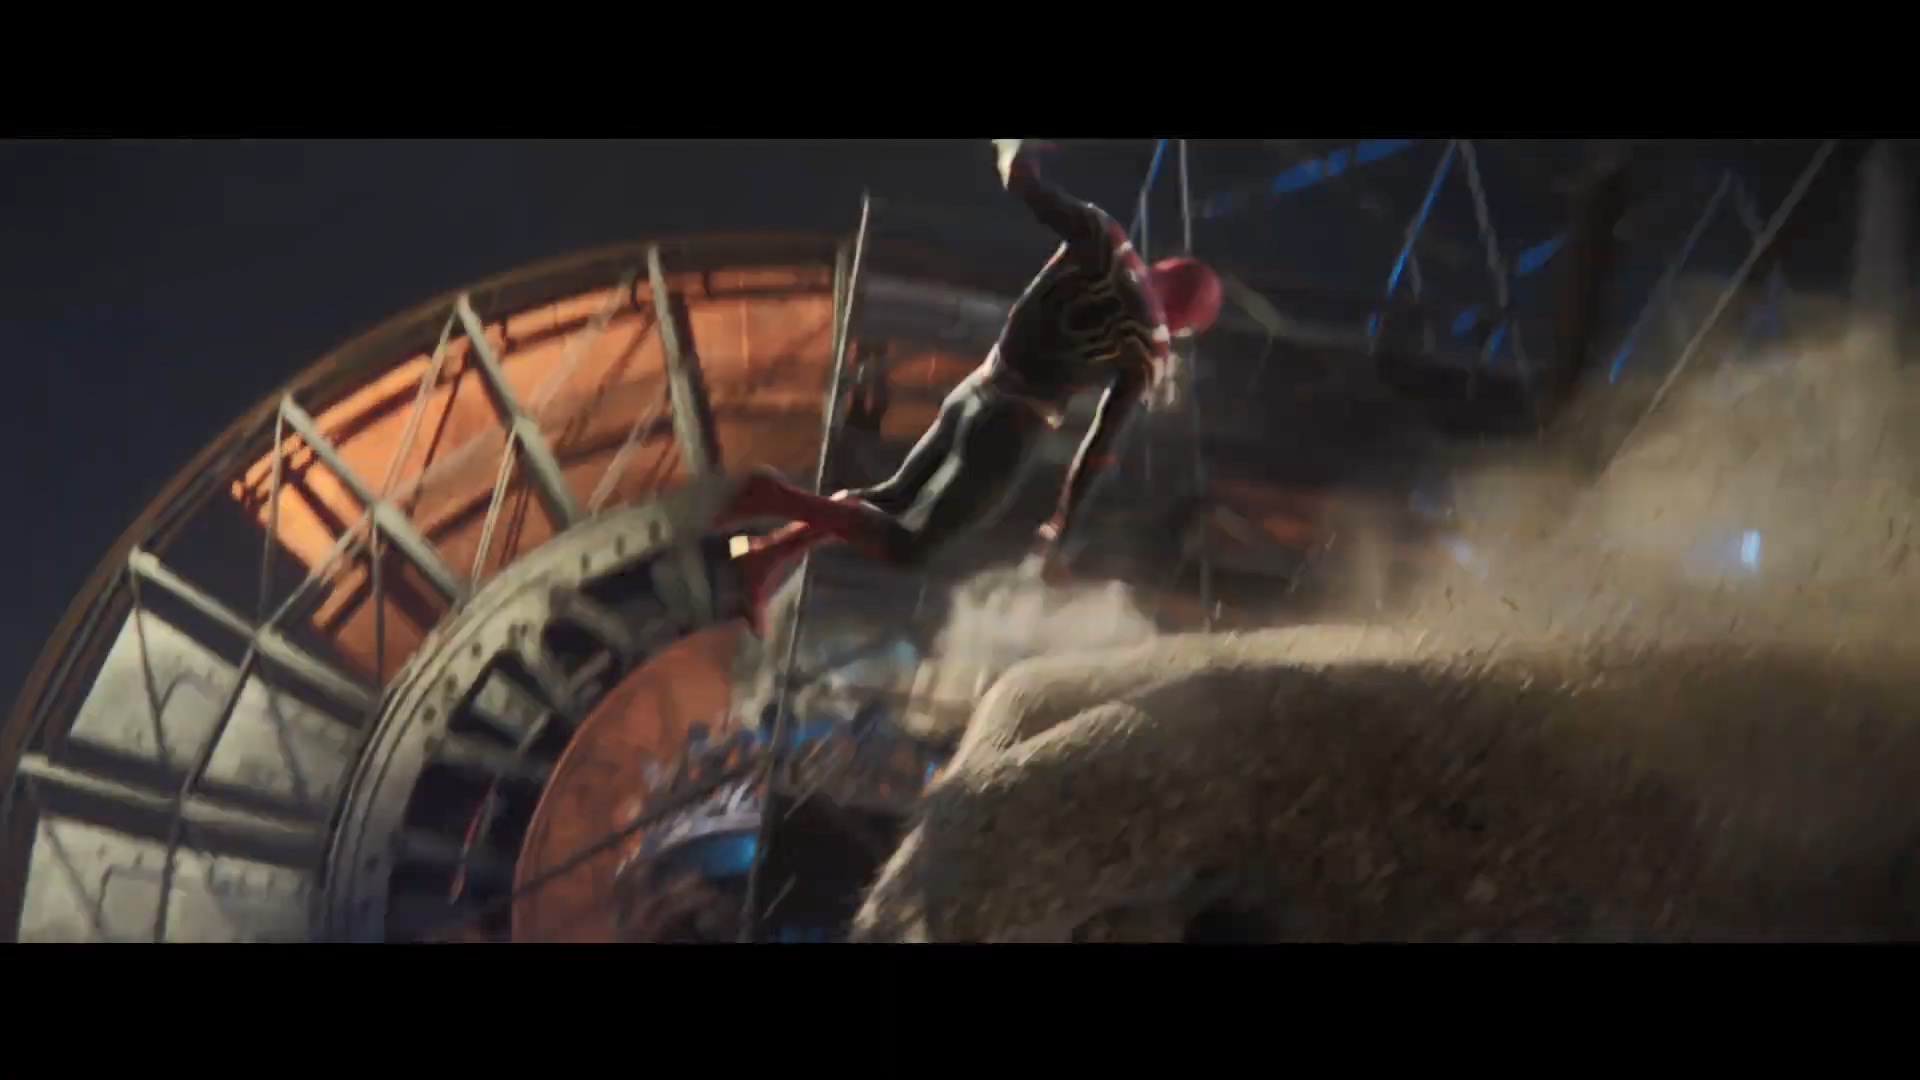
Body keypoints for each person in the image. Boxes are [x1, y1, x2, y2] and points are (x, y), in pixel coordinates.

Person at [717, 139, 1224, 632]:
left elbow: (1019, 177)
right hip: (1011, 427)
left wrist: (1016, 147)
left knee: (890, 498)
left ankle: (762, 557)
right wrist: (1061, 529)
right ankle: (774, 496)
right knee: (909, 546)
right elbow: (1099, 448)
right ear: (1183, 324)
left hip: (977, 388)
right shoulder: (1150, 346)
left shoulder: (1104, 239)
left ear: (1165, 267)